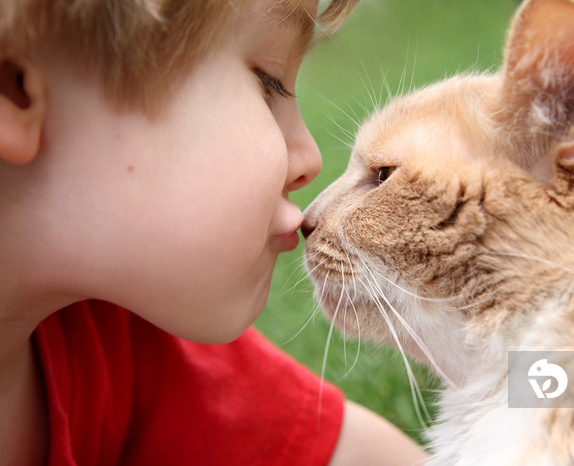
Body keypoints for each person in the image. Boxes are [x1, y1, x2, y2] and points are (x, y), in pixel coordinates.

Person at [0, 0, 429, 464]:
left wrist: (521, 375)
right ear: (16, 89)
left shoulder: (129, 347)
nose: (310, 159)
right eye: (268, 86)